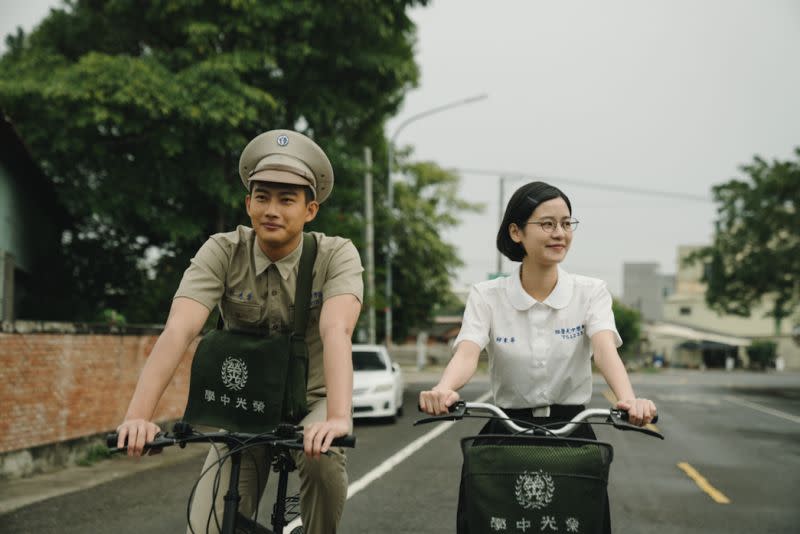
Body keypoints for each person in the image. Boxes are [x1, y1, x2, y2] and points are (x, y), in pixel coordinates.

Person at [116, 129, 363, 534]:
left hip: (313, 402)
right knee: (208, 522)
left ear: (310, 210)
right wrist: (138, 417)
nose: (272, 209)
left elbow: (337, 329)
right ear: (248, 203)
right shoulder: (222, 250)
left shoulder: (336, 255)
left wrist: (337, 418)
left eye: (287, 199)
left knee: (324, 459)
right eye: (262, 196)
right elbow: (179, 330)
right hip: (246, 406)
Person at [419, 181, 656, 534]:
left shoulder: (590, 292)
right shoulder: (487, 295)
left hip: (573, 432)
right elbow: (468, 351)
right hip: (507, 430)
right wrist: (444, 390)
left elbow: (605, 350)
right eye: (547, 224)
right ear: (516, 232)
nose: (559, 233)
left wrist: (628, 400)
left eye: (566, 223)